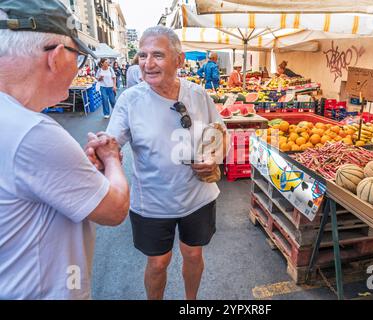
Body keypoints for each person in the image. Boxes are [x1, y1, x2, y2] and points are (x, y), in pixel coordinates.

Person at [86, 26, 228, 300]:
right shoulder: (130, 100)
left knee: (193, 253)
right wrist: (103, 150)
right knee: (157, 262)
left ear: (179, 60)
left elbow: (220, 133)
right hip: (152, 201)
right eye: (142, 55)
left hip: (197, 196)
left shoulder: (198, 95)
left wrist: (214, 158)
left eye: (158, 55)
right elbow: (112, 141)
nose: (148, 64)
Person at [0, 0, 130, 299]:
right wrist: (111, 159)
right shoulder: (32, 132)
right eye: (80, 57)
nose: (79, 68)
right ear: (57, 56)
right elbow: (115, 209)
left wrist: (80, 174)